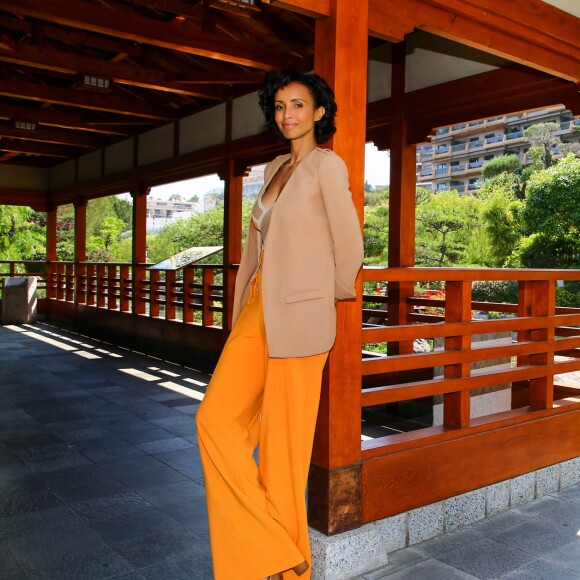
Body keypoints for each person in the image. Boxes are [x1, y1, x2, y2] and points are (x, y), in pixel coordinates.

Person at [196, 69, 364, 580]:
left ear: (318, 112)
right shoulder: (273, 168)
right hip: (256, 310)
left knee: (285, 453)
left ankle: (288, 572)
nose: (287, 114)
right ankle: (274, 549)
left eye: (298, 105)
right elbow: (257, 244)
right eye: (280, 107)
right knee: (214, 422)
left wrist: (317, 296)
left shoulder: (326, 167)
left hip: (301, 319)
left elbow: (350, 247)